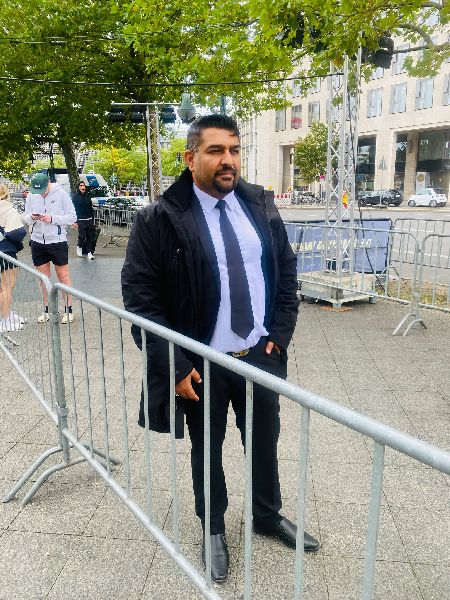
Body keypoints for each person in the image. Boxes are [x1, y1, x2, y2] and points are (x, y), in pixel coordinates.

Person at [121, 114, 319, 583]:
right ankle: (212, 527)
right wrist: (174, 364)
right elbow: (142, 300)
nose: (228, 160)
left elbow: (285, 273)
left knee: (264, 442)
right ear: (190, 158)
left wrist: (278, 335)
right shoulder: (159, 219)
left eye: (233, 150)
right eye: (215, 151)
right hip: (201, 365)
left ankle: (266, 515)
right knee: (207, 449)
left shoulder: (259, 206)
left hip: (259, 357)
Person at [22, 172, 77, 324]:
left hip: (57, 241)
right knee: (43, 278)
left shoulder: (61, 194)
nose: (40, 194)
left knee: (63, 276)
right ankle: (48, 310)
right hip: (37, 241)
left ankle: (68, 310)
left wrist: (52, 219)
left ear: (48, 184)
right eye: (37, 191)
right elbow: (25, 217)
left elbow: (72, 217)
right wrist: (32, 218)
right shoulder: (32, 195)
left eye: (42, 191)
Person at [0, 184, 27, 332]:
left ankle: (6, 314)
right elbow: (16, 233)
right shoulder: (8, 209)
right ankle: (5, 320)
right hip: (6, 251)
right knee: (7, 287)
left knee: (2, 288)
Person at [72, 180, 96, 260]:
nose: (83, 187)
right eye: (81, 185)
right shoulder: (75, 198)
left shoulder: (88, 197)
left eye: (84, 185)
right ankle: (79, 246)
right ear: (78, 187)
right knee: (82, 236)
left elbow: (90, 209)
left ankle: (89, 253)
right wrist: (74, 222)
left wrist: (92, 219)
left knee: (90, 237)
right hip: (80, 220)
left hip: (89, 219)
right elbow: (73, 210)